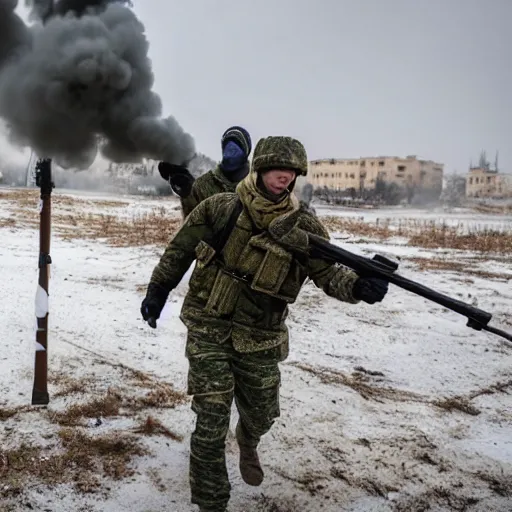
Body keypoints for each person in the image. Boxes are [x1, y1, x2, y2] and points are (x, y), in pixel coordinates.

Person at [140, 136, 388, 512]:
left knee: (262, 413)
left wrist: (358, 286)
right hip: (209, 325)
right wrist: (158, 290)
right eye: (277, 168)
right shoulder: (221, 208)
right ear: (260, 168)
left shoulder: (304, 226)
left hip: (260, 336)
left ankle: (249, 439)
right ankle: (211, 503)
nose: (284, 177)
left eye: (292, 171)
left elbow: (328, 274)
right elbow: (179, 250)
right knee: (210, 418)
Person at [158, 125, 252, 218]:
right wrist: (187, 193)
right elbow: (194, 222)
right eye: (227, 149)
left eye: (235, 150)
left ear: (245, 153)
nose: (229, 154)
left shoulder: (256, 185)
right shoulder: (207, 184)